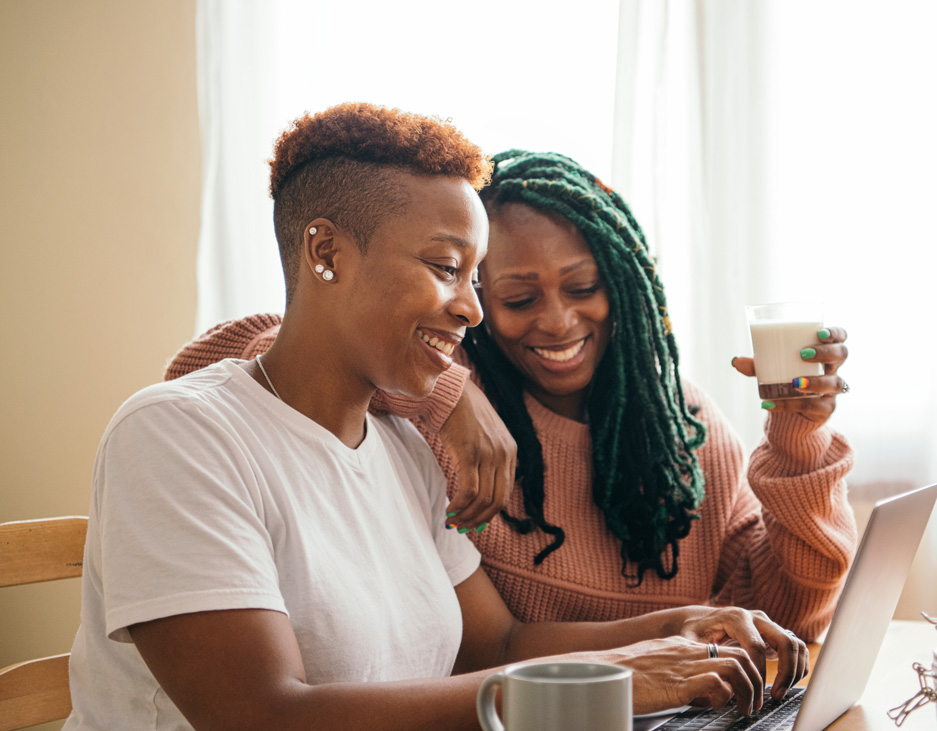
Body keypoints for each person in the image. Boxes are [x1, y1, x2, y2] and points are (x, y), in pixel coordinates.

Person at [28, 104, 807, 731]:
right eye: (446, 267)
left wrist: (672, 630)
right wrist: (611, 676)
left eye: (474, 277)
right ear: (325, 251)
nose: (472, 307)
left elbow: (495, 647)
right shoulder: (178, 436)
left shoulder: (407, 447)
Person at [170, 151, 857, 644]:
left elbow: (786, 619)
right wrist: (449, 391)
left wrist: (798, 437)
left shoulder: (684, 430)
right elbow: (220, 361)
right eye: (519, 298)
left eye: (583, 288)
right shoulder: (431, 386)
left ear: (626, 289)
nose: (557, 322)